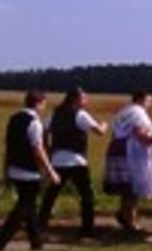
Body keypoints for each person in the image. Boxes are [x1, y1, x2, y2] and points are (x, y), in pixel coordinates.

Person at [0, 91, 59, 251]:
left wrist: (7, 169)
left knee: (30, 207)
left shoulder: (14, 119)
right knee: (23, 208)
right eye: (44, 103)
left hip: (15, 168)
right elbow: (38, 149)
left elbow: (9, 144)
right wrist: (50, 170)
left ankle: (36, 242)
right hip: (30, 171)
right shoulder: (34, 122)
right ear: (39, 103)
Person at [38, 87, 107, 237]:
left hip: (57, 159)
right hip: (76, 160)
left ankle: (40, 223)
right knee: (87, 195)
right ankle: (87, 229)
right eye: (84, 98)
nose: (87, 100)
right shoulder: (81, 115)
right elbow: (99, 132)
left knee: (51, 194)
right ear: (76, 100)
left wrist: (48, 148)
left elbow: (44, 131)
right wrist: (104, 125)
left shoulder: (55, 114)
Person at [103, 91, 152, 232]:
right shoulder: (138, 112)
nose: (150, 104)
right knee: (132, 188)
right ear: (141, 100)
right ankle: (130, 221)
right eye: (149, 101)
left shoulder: (123, 111)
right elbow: (139, 132)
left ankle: (124, 214)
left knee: (126, 187)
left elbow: (115, 132)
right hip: (131, 151)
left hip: (117, 147)